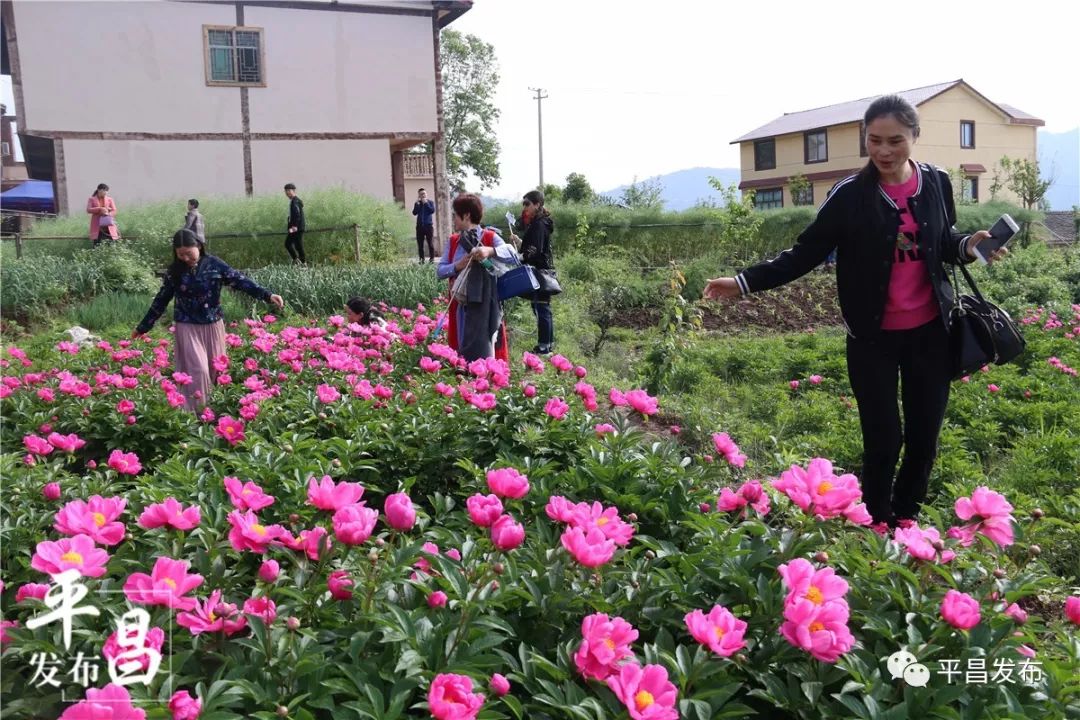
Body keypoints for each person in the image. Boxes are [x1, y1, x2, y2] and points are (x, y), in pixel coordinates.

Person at [702, 94, 1009, 530]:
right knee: (884, 438)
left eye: (896, 141)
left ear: (915, 138)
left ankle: (907, 520)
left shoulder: (936, 183)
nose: (885, 151)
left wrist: (968, 245)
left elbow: (943, 241)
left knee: (924, 438)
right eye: (875, 141)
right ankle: (875, 522)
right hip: (872, 339)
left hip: (930, 334)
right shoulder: (849, 196)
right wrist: (744, 282)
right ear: (865, 139)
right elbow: (805, 253)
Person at [133, 229, 284, 411]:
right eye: (181, 255)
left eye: (189, 253)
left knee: (215, 371)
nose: (186, 258)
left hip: (213, 324)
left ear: (199, 246)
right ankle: (195, 413)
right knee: (198, 371)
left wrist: (267, 295)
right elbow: (161, 300)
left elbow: (241, 281)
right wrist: (143, 327)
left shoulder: (214, 265)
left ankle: (213, 412)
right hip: (187, 325)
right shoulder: (175, 272)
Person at [436, 193, 518, 361]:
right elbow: (440, 271)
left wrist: (490, 251)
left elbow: (513, 255)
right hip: (460, 302)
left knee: (487, 343)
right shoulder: (453, 241)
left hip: (486, 304)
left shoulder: (489, 237)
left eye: (455, 215)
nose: (454, 219)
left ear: (466, 215)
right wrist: (458, 265)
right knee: (461, 343)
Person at [510, 189, 556, 354]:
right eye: (524, 204)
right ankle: (547, 343)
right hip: (541, 268)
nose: (525, 207)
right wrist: (519, 241)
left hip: (540, 270)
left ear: (537, 204)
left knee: (542, 308)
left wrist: (519, 257)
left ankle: (544, 346)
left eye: (527, 204)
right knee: (542, 308)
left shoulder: (539, 224)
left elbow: (534, 250)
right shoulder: (540, 223)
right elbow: (535, 246)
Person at [284, 183, 306, 264]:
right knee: (296, 245)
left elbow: (297, 214)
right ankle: (299, 261)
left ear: (294, 191)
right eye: (286, 191)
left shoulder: (295, 201)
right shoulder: (295, 201)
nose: (287, 193)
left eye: (289, 190)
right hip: (297, 227)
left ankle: (302, 262)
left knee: (292, 244)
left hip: (297, 228)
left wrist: (294, 226)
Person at [412, 188, 436, 263]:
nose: (423, 195)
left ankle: (432, 259)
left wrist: (426, 203)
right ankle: (421, 260)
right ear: (419, 195)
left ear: (426, 194)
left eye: (424, 193)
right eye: (421, 194)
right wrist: (417, 205)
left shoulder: (430, 202)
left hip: (428, 226)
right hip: (419, 227)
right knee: (420, 244)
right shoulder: (417, 203)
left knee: (430, 243)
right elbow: (414, 213)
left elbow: (432, 210)